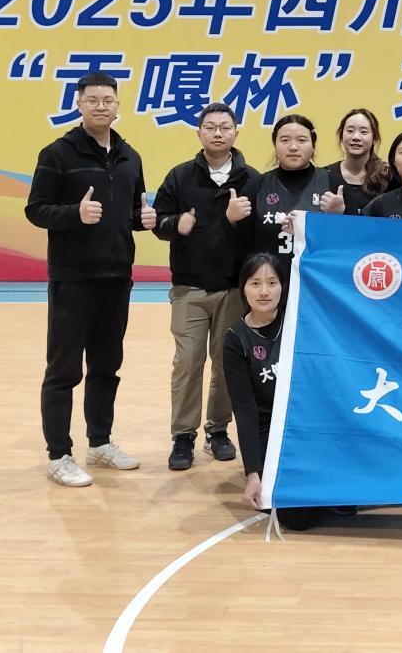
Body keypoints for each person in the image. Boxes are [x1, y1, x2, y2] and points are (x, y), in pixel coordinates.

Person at [25, 72, 156, 487]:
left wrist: (143, 219)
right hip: (73, 277)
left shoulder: (130, 157)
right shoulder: (57, 153)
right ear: (79, 104)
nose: (101, 106)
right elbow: (36, 209)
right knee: (63, 370)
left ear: (118, 106)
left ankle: (99, 443)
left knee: (106, 366)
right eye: (93, 99)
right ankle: (59, 455)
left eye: (108, 100)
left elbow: (128, 213)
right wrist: (74, 215)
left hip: (117, 276)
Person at [152, 102, 259, 471]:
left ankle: (218, 431)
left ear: (236, 133)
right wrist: (174, 224)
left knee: (227, 365)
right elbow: (158, 221)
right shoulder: (180, 176)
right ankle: (183, 437)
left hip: (233, 289)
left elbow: (257, 233)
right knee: (187, 363)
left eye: (225, 127)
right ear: (199, 132)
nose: (217, 133)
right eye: (210, 127)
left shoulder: (251, 179)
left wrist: (234, 222)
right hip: (190, 289)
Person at [223, 253, 336, 531]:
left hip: (306, 425)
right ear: (243, 288)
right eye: (255, 283)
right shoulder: (235, 340)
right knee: (297, 518)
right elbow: (245, 412)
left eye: (272, 283)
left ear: (283, 286)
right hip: (269, 432)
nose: (264, 291)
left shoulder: (299, 322)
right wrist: (252, 474)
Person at [227, 114, 343, 277]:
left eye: (302, 140)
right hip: (269, 284)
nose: (293, 147)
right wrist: (232, 220)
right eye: (285, 140)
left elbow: (345, 245)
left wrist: (340, 217)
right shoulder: (256, 186)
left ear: (313, 145)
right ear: (275, 144)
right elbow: (240, 248)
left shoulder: (332, 183)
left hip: (316, 282)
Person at [324, 108, 389, 215]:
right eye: (350, 131)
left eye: (364, 132)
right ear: (341, 136)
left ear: (375, 139)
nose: (356, 137)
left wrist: (343, 212)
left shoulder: (388, 177)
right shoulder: (325, 175)